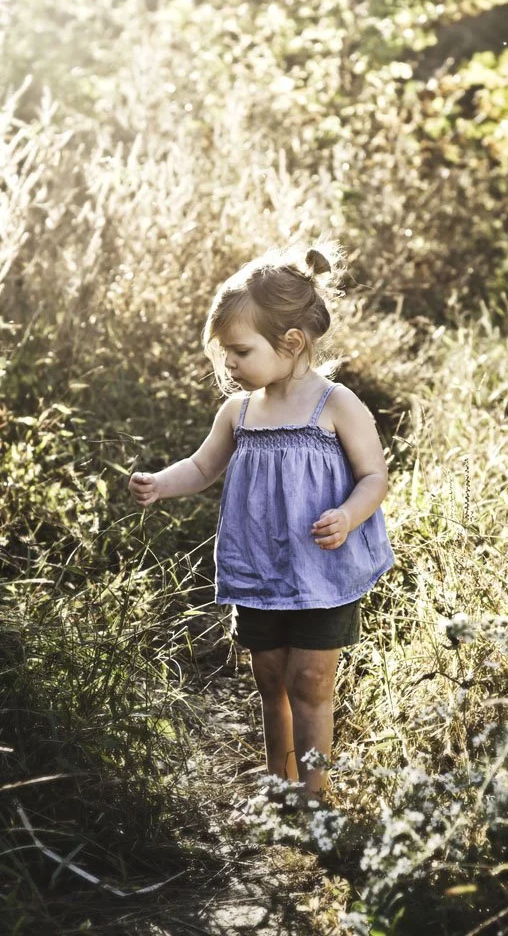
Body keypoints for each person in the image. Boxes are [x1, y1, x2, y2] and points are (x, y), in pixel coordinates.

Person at [128, 241, 395, 800]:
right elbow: (202, 467)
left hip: (322, 571)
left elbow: (375, 477)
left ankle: (314, 794)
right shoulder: (240, 411)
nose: (229, 364)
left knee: (310, 681)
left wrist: (348, 516)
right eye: (225, 352)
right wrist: (161, 483)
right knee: (272, 679)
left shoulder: (336, 405)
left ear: (291, 342)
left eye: (240, 351)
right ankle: (281, 784)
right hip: (260, 569)